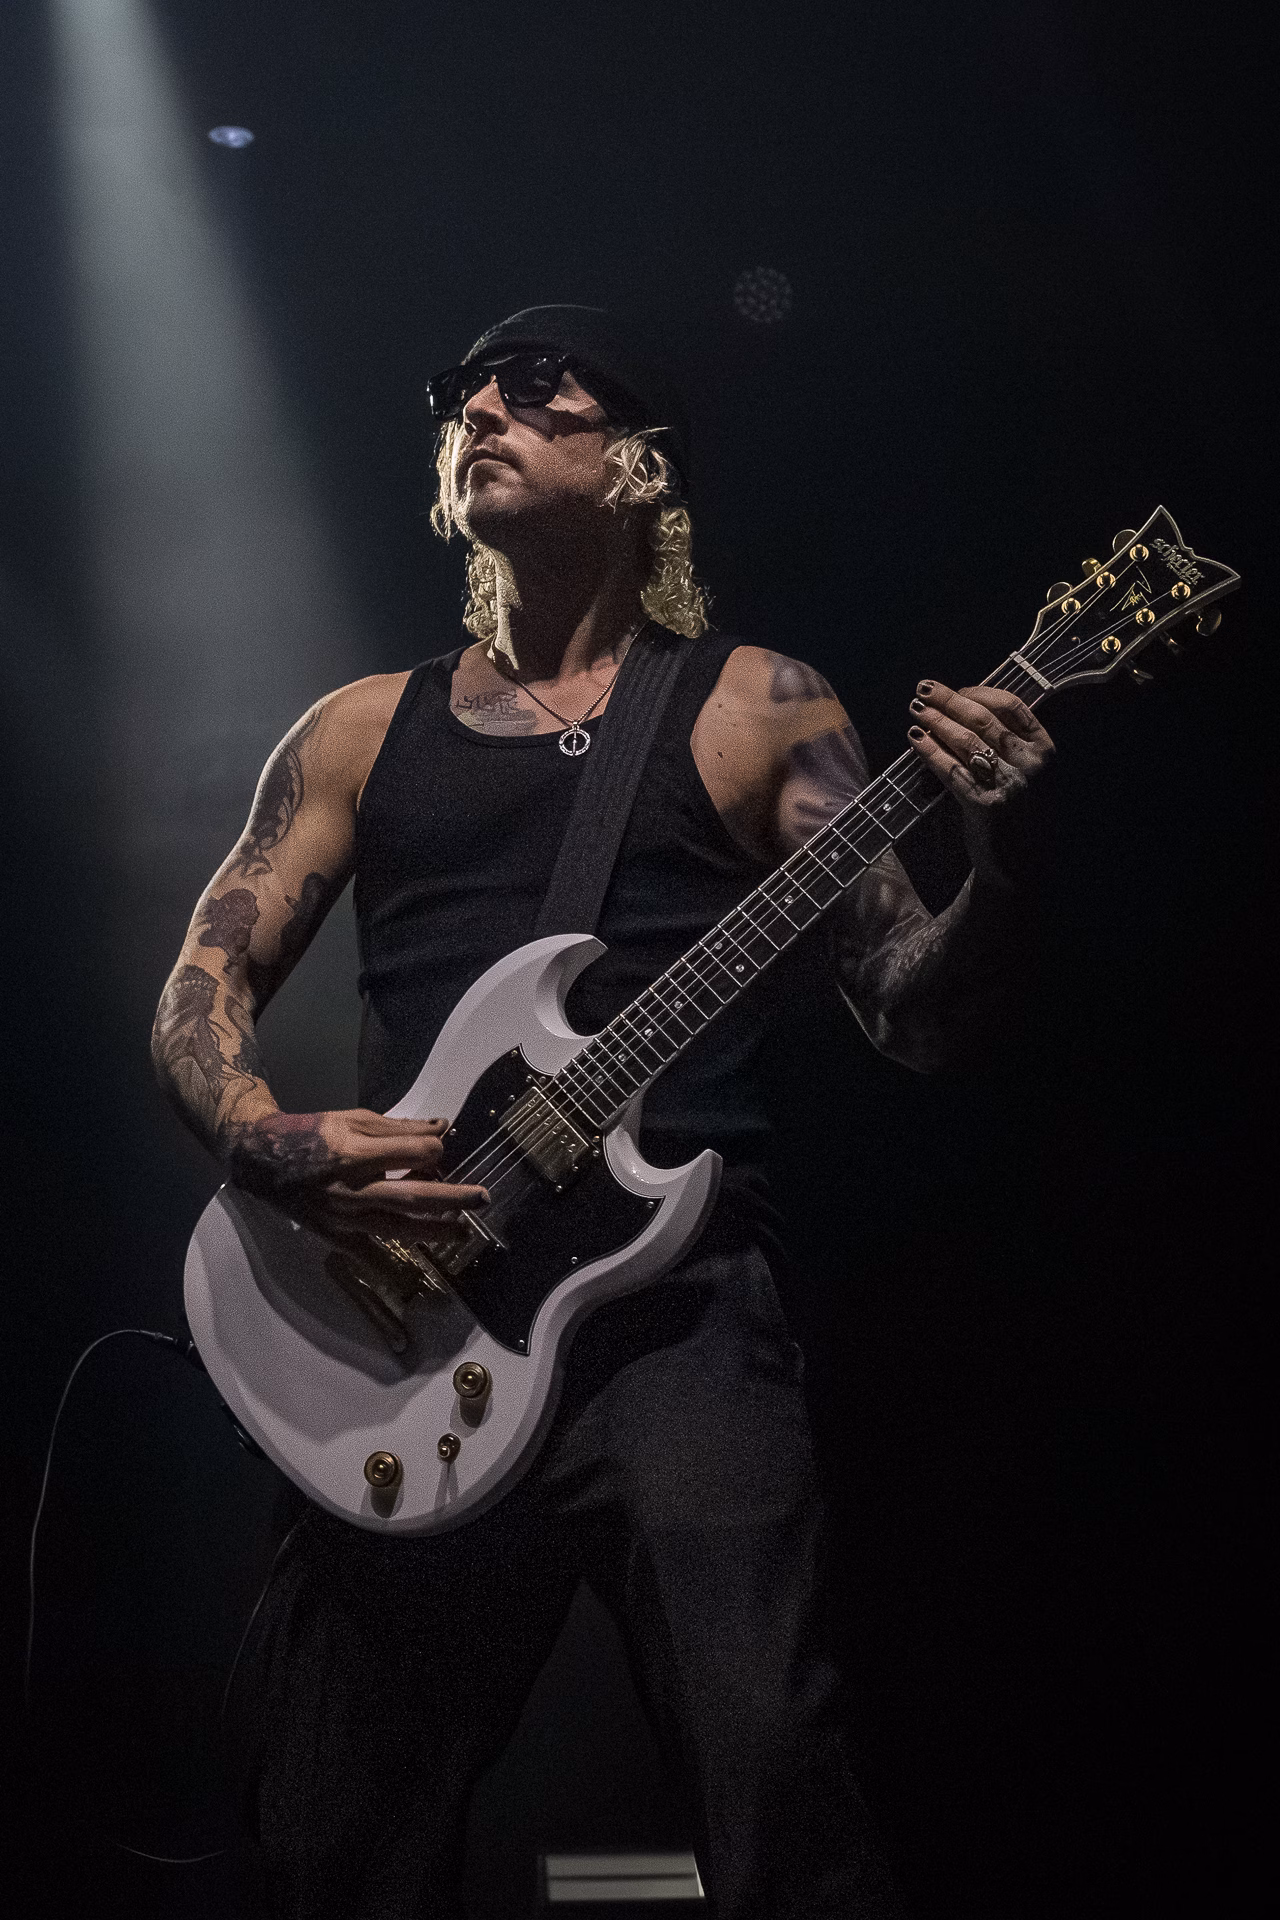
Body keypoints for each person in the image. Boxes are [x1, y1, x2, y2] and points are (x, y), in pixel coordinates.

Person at [152, 305, 1055, 1919]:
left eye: (531, 385)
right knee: (338, 1842)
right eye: (462, 393)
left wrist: (1002, 861)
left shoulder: (758, 703)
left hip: (675, 1326)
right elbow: (198, 990)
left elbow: (913, 1015)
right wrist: (273, 1145)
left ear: (640, 467)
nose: (480, 407)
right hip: (409, 1320)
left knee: (777, 1788)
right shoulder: (358, 730)